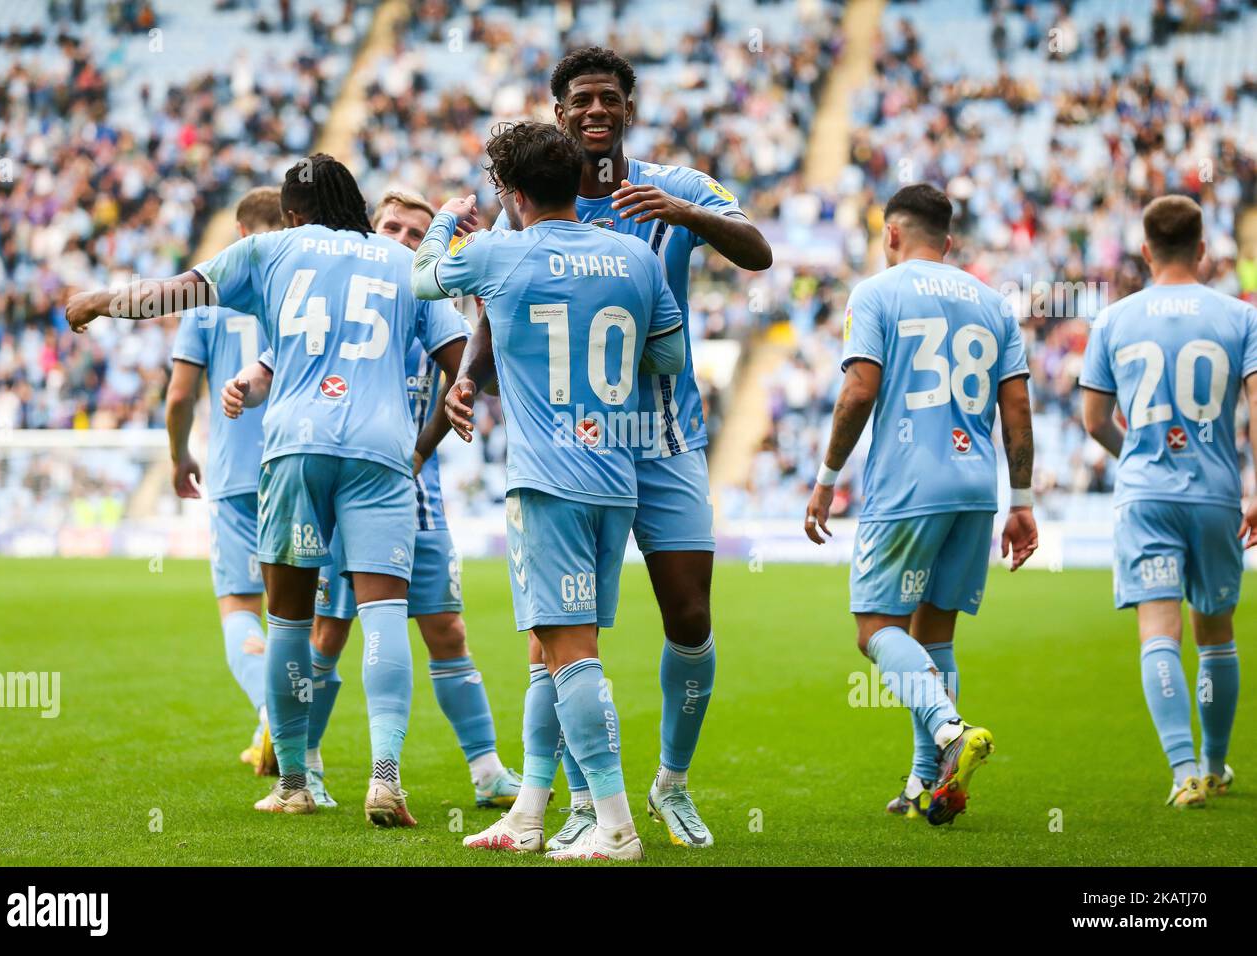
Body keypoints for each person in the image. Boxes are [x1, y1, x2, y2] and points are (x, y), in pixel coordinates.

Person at [68, 153, 464, 827]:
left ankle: (294, 782)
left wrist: (102, 302)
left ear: (290, 214)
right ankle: (385, 777)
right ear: (357, 205)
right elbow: (460, 366)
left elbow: (170, 293)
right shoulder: (404, 264)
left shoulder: (271, 250)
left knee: (284, 618)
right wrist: (447, 418)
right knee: (384, 615)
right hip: (379, 451)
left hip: (295, 446)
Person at [482, 46, 773, 850]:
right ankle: (577, 802)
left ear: (628, 109)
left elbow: (757, 248)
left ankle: (671, 784)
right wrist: (468, 380)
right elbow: (499, 299)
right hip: (575, 446)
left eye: (609, 97)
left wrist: (687, 219)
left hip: (663, 436)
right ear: (560, 111)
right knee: (561, 636)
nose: (595, 111)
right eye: (580, 99)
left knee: (689, 615)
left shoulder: (672, 187)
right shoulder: (536, 197)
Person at [414, 122, 686, 860]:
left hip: (548, 481)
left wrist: (445, 220)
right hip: (616, 477)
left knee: (569, 653)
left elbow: (420, 279)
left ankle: (617, 825)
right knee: (546, 650)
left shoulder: (501, 251)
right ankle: (529, 815)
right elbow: (670, 354)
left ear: (515, 193)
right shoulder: (634, 255)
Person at [224, 188, 521, 810]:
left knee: (446, 626)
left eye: (419, 235)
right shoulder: (348, 299)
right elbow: (270, 364)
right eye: (394, 228)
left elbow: (467, 378)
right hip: (352, 480)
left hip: (418, 493)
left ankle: (488, 768)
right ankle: (301, 761)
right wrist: (245, 385)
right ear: (370, 228)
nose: (406, 242)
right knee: (328, 630)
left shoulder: (431, 306)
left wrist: (419, 453)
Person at [803, 183, 1039, 826]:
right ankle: (924, 781)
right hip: (975, 488)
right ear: (950, 241)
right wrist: (1020, 500)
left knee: (875, 630)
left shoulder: (877, 292)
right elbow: (1016, 409)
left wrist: (826, 477)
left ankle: (949, 730)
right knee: (933, 635)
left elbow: (859, 391)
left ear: (891, 235)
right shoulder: (993, 303)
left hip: (908, 484)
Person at [1080, 194, 1257, 808]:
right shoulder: (1240, 317)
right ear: (1203, 250)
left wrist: (1135, 450)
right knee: (1216, 634)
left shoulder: (1115, 319)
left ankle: (1182, 773)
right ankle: (1213, 763)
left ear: (1147, 252)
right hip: (1215, 492)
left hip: (1146, 493)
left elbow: (1093, 417)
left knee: (1159, 630)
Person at [165, 186, 281, 775]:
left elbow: (182, 393)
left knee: (240, 604)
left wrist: (179, 454)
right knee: (299, 613)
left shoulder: (206, 304)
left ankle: (270, 712)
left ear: (239, 236)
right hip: (298, 464)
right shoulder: (300, 287)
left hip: (236, 474)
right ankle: (290, 735)